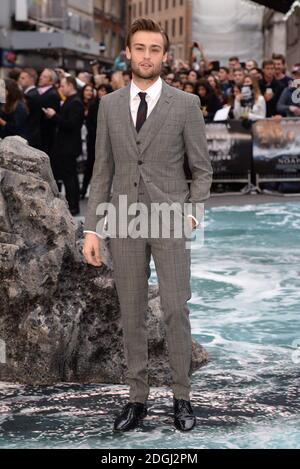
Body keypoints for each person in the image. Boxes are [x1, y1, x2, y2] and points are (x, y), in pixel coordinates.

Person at [83, 17, 213, 433]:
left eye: (154, 49)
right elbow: (101, 171)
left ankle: (181, 397)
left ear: (164, 55)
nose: (146, 56)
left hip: (172, 219)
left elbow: (203, 170)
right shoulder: (107, 105)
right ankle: (136, 400)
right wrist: (92, 229)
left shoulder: (187, 104)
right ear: (128, 52)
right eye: (140, 48)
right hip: (121, 220)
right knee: (132, 312)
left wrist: (194, 213)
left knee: (175, 309)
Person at [44, 76, 84, 216]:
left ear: (71, 85)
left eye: (63, 85)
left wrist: (54, 116)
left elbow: (71, 124)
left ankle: (73, 206)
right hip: (64, 145)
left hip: (69, 146)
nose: (61, 88)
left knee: (70, 178)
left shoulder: (76, 102)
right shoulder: (70, 100)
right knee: (66, 176)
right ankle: (70, 204)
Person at [38, 69, 61, 158]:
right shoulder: (39, 90)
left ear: (51, 81)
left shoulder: (53, 94)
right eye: (41, 75)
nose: (40, 78)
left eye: (44, 76)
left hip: (45, 135)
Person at [18, 68, 42, 149]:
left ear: (31, 79)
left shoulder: (31, 95)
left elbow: (26, 117)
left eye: (23, 78)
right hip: (30, 134)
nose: (19, 80)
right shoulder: (30, 93)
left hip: (29, 135)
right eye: (20, 78)